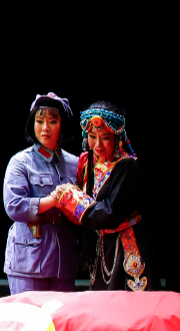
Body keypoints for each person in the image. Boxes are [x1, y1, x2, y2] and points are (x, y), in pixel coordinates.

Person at [55, 101, 152, 291]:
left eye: (105, 138)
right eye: (92, 137)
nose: (97, 145)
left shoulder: (128, 167)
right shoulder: (88, 163)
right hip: (101, 248)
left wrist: (74, 199)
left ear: (117, 137)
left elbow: (111, 212)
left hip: (126, 248)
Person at [1, 93, 79, 295]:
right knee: (28, 314)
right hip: (28, 259)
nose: (45, 128)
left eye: (52, 121)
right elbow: (14, 206)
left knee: (62, 315)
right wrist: (53, 201)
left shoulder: (76, 164)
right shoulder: (20, 162)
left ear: (63, 125)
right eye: (39, 121)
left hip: (63, 259)